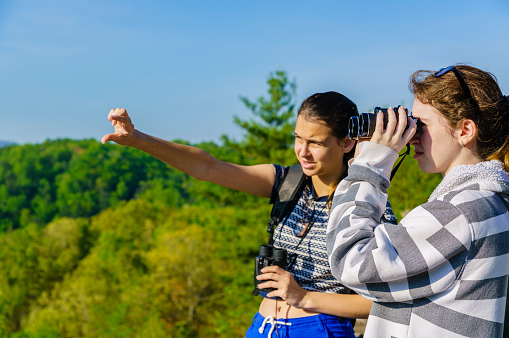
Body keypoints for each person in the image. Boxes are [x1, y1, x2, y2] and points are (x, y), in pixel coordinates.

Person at [102, 91, 391, 337]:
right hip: (263, 326)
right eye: (298, 138)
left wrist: (304, 298)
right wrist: (136, 139)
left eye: (315, 143)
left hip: (320, 328)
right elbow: (207, 167)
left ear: (347, 143)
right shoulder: (286, 182)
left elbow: (387, 299)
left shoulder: (367, 205)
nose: (302, 151)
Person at [326, 64, 509, 337]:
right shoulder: (493, 202)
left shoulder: (460, 213)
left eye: (421, 125)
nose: (411, 137)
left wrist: (370, 165)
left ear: (465, 131)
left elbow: (350, 261)